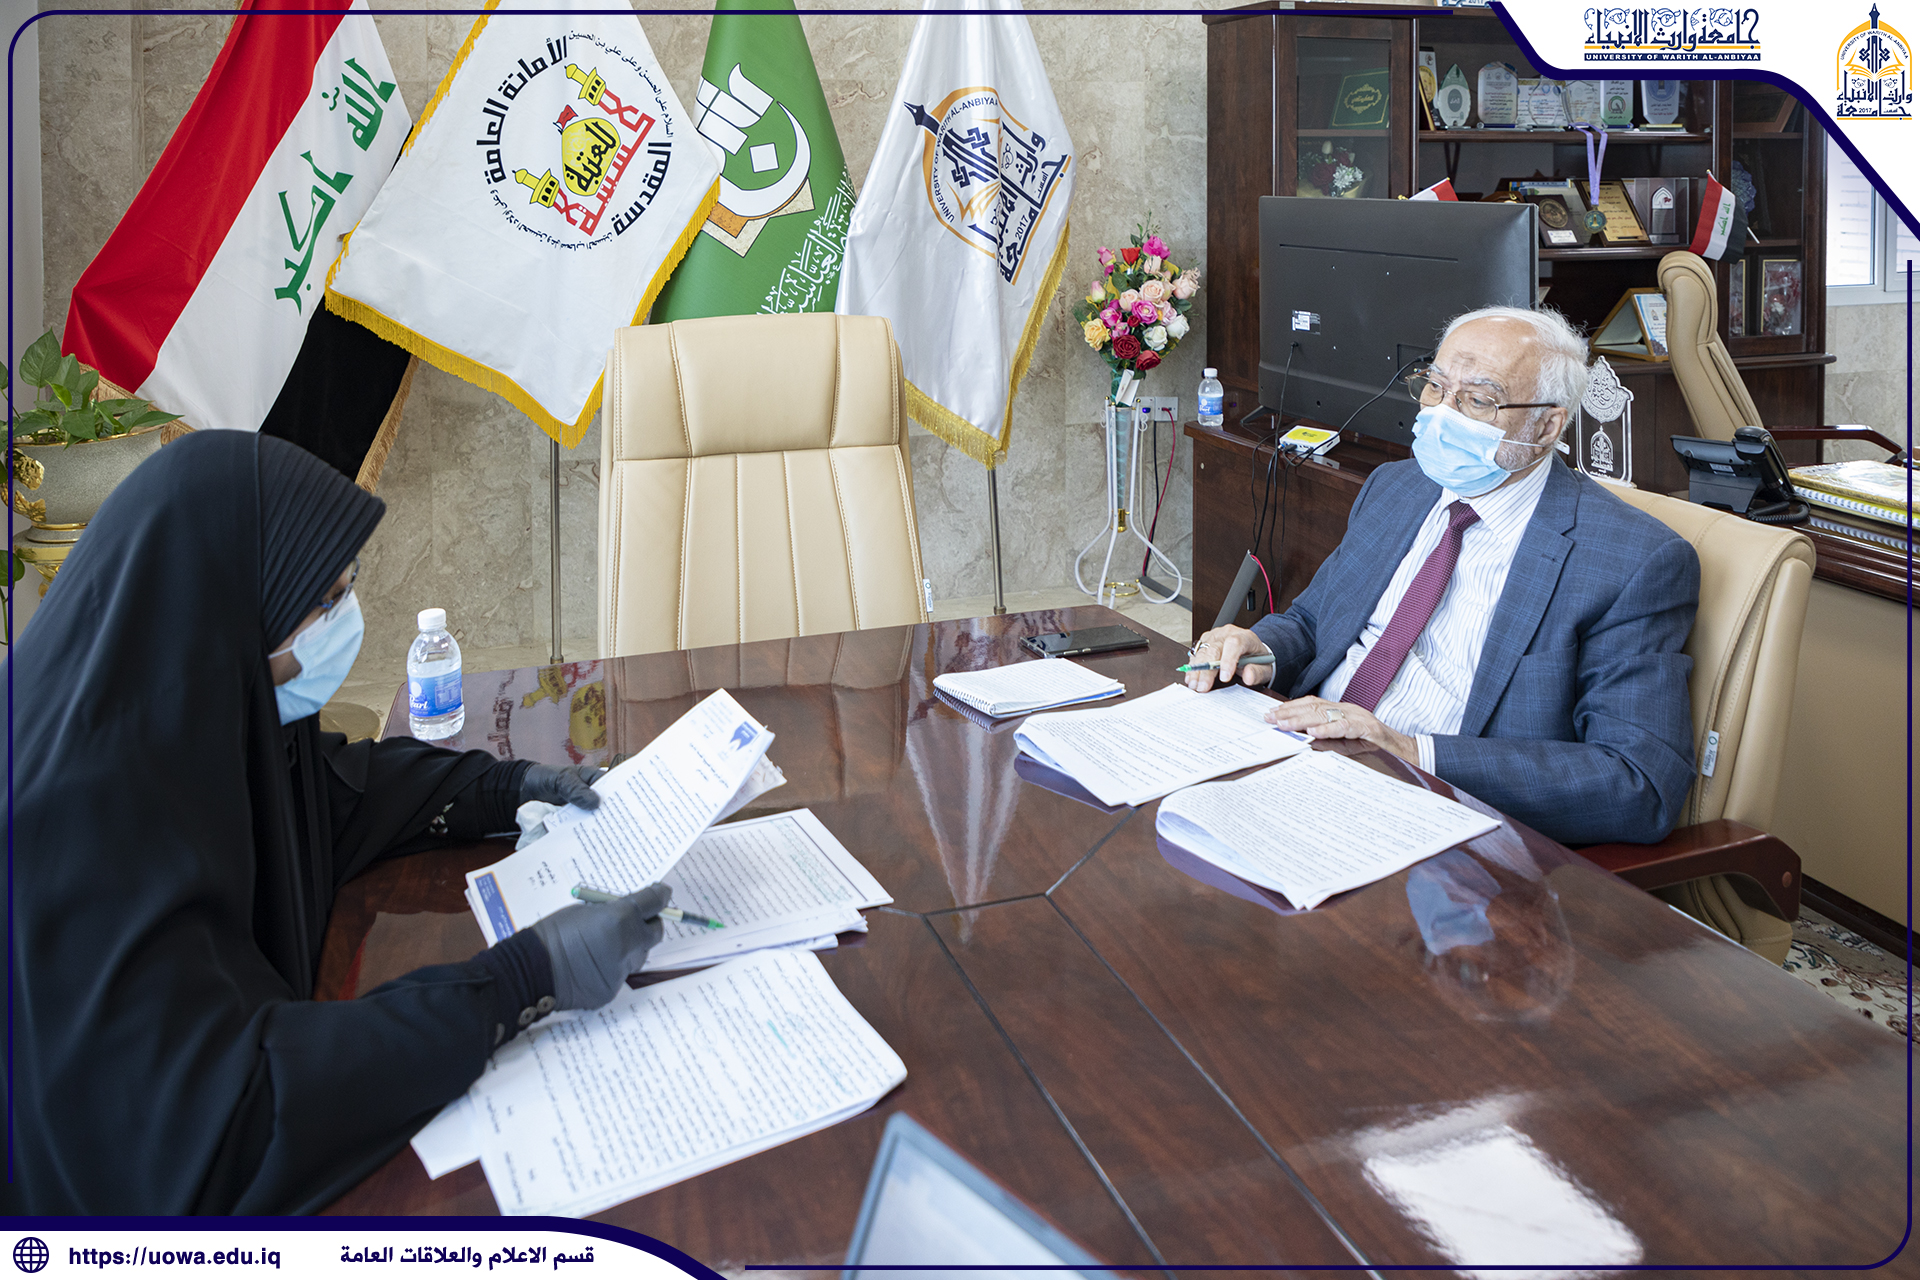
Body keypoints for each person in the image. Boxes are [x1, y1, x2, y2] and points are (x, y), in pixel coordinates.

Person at [4, 432, 671, 1214]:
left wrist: (509, 784)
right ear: (225, 601)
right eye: (324, 601)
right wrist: (520, 982)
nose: (343, 621)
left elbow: (332, 790)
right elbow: (234, 1123)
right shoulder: (83, 824)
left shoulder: (180, 705)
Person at [1189, 306, 1698, 847]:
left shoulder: (1631, 560)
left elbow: (1639, 782)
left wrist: (1410, 752)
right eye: (1435, 386)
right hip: (1299, 756)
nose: (1440, 414)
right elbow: (1315, 622)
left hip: (1438, 817)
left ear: (1548, 425)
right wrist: (1262, 647)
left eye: (1477, 400)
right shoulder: (1397, 486)